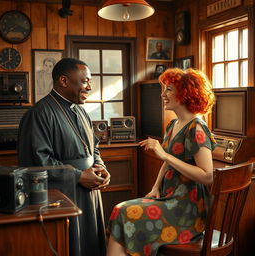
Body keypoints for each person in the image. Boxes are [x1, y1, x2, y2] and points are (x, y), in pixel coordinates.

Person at [106, 68, 216, 256]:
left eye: (169, 90)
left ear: (185, 93)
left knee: (124, 211)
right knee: (119, 211)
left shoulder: (196, 128)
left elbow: (208, 176)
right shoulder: (174, 124)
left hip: (187, 209)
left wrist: (164, 155)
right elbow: (168, 163)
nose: (163, 94)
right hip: (167, 197)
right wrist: (156, 187)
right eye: (164, 89)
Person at [18, 58, 110, 256]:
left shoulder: (82, 111)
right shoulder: (38, 114)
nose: (89, 87)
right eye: (85, 81)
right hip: (63, 193)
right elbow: (37, 162)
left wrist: (101, 167)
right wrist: (78, 176)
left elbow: (93, 148)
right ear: (64, 81)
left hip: (90, 190)